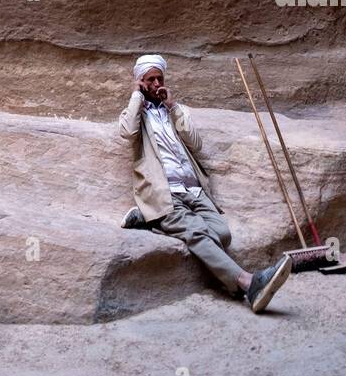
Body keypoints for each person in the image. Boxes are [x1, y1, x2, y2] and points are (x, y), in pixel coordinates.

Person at [118, 53, 292, 313]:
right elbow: (127, 132)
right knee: (197, 234)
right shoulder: (136, 114)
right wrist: (136, 96)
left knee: (222, 234)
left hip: (195, 190)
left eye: (159, 78)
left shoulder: (173, 111)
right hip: (167, 193)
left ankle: (152, 221)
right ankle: (248, 283)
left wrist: (173, 107)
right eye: (150, 80)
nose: (156, 84)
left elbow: (195, 144)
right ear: (141, 82)